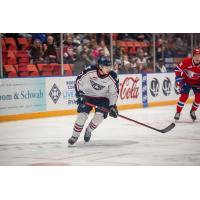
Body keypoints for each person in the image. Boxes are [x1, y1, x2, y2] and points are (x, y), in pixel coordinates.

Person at [68, 56, 119, 145]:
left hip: (103, 99)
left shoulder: (112, 76)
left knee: (99, 117)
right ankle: (74, 136)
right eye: (106, 67)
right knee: (82, 116)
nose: (108, 69)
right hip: (88, 96)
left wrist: (112, 106)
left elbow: (113, 93)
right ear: (100, 66)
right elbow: (78, 81)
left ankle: (88, 130)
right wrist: (79, 93)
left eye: (109, 67)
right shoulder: (90, 71)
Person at [174, 48, 200, 121]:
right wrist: (179, 78)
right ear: (193, 56)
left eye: (199, 56)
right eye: (195, 56)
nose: (197, 58)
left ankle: (193, 111)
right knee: (184, 97)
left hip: (198, 83)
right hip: (186, 81)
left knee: (198, 98)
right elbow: (177, 69)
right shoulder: (186, 61)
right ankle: (178, 112)